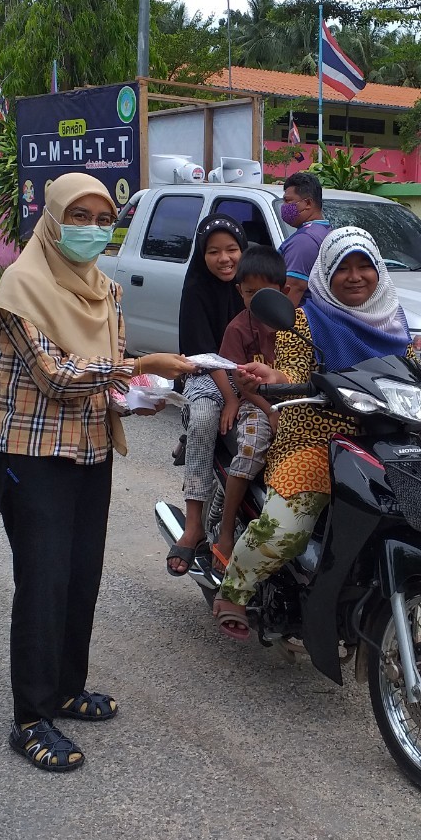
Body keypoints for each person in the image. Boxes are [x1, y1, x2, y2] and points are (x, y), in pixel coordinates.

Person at [0, 172, 193, 772]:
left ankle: (65, 688)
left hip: (91, 450)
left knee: (82, 574)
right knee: (43, 580)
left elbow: (103, 379)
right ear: (52, 218)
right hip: (33, 455)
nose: (92, 229)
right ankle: (29, 717)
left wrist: (138, 391)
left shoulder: (103, 288)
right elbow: (57, 375)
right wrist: (140, 364)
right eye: (78, 216)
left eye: (103, 218)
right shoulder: (21, 286)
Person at [213, 227, 414, 639]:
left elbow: (409, 374)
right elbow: (291, 371)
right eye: (343, 268)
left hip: (382, 437)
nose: (355, 277)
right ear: (326, 273)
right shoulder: (304, 320)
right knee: (284, 531)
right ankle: (233, 589)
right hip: (313, 435)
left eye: (365, 266)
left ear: (379, 272)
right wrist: (274, 378)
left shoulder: (394, 321)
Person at [166, 214, 248, 575]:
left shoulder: (254, 286)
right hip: (204, 372)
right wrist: (229, 396)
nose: (224, 258)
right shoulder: (196, 289)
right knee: (203, 419)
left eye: (232, 249)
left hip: (251, 373)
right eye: (213, 251)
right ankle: (194, 524)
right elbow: (201, 352)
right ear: (202, 256)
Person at [209, 245, 288, 569]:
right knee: (253, 448)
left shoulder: (296, 324)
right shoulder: (238, 329)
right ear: (239, 291)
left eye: (265, 293)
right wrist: (269, 410)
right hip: (255, 404)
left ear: (282, 292)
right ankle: (226, 533)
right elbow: (240, 383)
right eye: (249, 293)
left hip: (295, 401)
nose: (257, 301)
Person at [278, 171, 330, 306]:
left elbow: (292, 291)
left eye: (288, 201)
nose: (284, 206)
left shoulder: (303, 241)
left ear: (307, 203)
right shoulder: (324, 231)